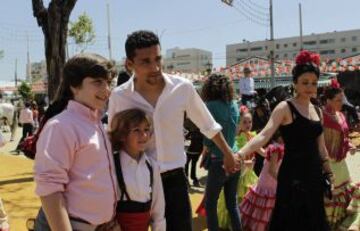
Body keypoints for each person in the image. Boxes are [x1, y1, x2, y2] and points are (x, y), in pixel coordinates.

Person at [108, 30, 239, 231]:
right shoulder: (120, 97)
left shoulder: (182, 88)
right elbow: (113, 139)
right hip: (135, 182)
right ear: (129, 64)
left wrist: (228, 154)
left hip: (174, 181)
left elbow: (207, 124)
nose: (155, 67)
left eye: (158, 58)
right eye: (145, 61)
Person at [237, 50, 333, 231]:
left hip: (313, 176)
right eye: (305, 82)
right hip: (292, 177)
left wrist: (328, 174)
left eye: (314, 83)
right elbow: (264, 135)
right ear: (294, 83)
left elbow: (321, 148)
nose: (310, 87)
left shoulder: (318, 111)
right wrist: (241, 153)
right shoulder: (285, 107)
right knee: (290, 222)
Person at [33, 53, 120, 231]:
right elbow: (49, 188)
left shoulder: (97, 124)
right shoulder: (61, 126)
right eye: (97, 82)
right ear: (74, 86)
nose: (106, 90)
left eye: (108, 82)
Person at [109, 108, 166, 231]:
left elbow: (158, 207)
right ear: (122, 135)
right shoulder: (111, 164)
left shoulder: (152, 166)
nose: (144, 135)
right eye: (136, 130)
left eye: (146, 130)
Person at [199, 73, 241, 231]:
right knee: (232, 203)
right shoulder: (234, 104)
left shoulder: (209, 106)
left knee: (210, 204)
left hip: (219, 161)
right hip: (236, 157)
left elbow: (209, 136)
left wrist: (205, 149)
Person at [217, 109, 263, 230]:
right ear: (238, 123)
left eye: (250, 122)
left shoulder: (253, 136)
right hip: (239, 175)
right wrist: (246, 162)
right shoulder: (236, 139)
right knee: (237, 200)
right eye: (245, 122)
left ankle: (244, 223)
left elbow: (261, 151)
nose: (248, 125)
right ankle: (235, 223)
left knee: (249, 201)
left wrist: (276, 151)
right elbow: (234, 158)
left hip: (249, 175)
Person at [322, 87, 360, 230]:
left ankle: (340, 224)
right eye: (338, 100)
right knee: (333, 194)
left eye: (341, 99)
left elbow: (344, 137)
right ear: (328, 100)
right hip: (329, 163)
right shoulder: (321, 116)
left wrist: (349, 145)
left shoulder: (341, 115)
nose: (341, 103)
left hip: (341, 162)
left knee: (345, 192)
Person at [239, 132, 284, 231]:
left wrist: (255, 144)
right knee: (262, 210)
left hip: (268, 184)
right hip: (268, 184)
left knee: (263, 210)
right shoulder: (277, 148)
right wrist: (283, 181)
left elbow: (264, 153)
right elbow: (272, 170)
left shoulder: (277, 147)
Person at [184, 117, 203, 187]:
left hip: (197, 144)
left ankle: (193, 177)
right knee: (186, 163)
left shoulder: (200, 120)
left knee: (194, 163)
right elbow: (185, 132)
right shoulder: (187, 120)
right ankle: (186, 178)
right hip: (189, 145)